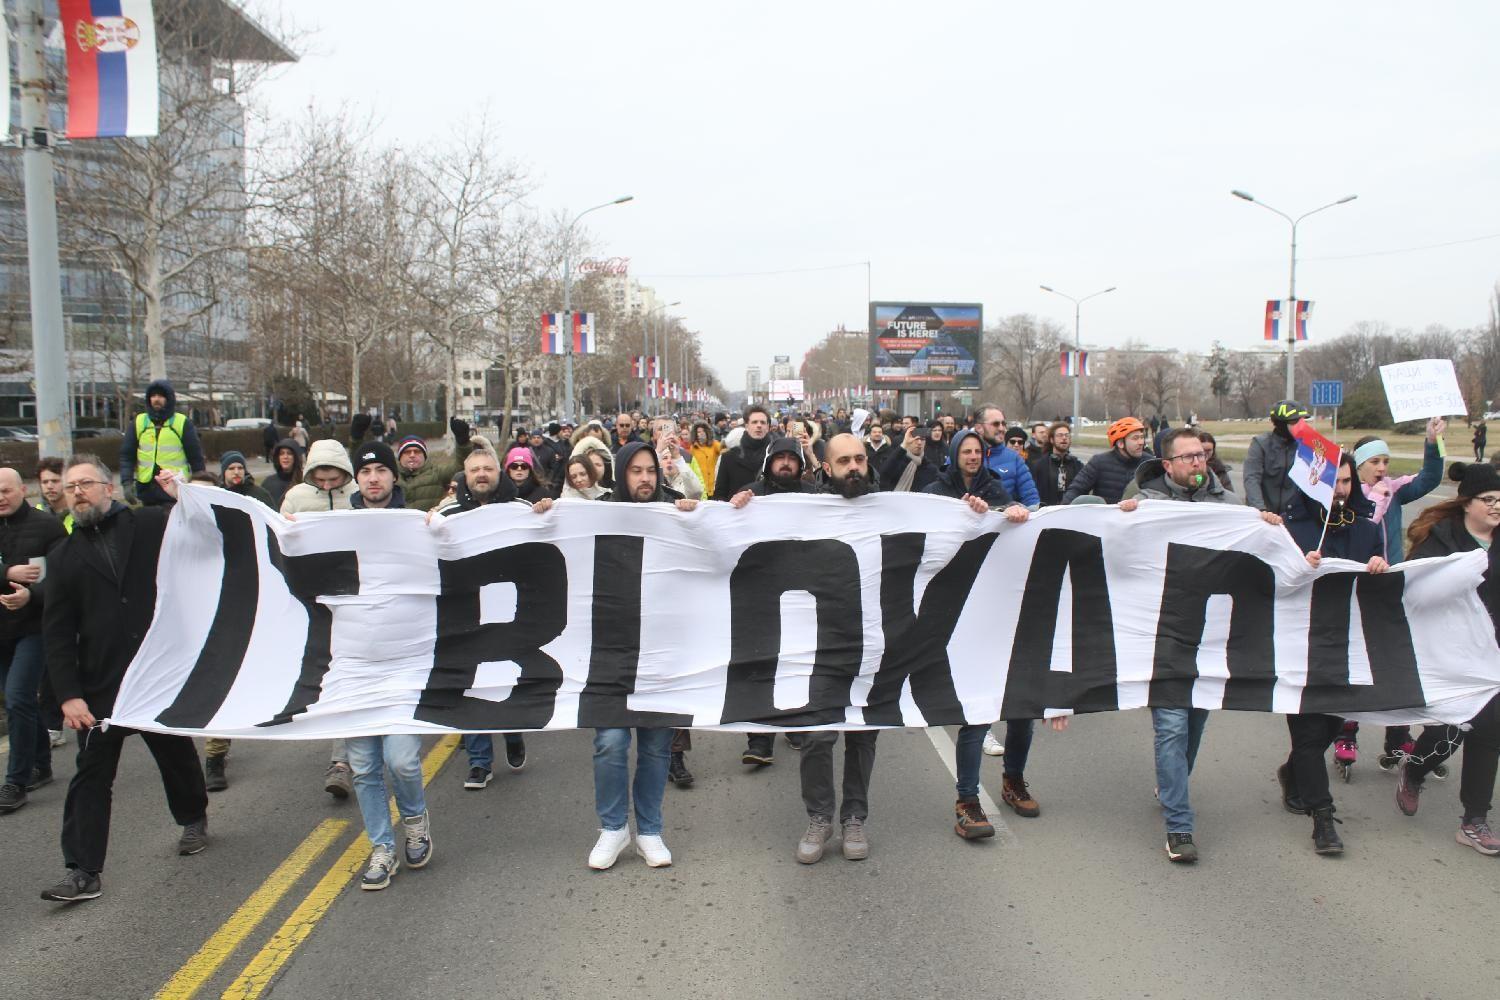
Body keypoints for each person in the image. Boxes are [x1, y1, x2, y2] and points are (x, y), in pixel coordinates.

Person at [40, 459, 209, 902]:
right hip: (101, 688)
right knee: (91, 775)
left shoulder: (150, 523)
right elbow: (57, 634)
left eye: (85, 483)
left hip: (156, 673)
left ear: (109, 488)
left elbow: (205, 533)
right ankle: (82, 870)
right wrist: (69, 695)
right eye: (70, 487)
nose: (77, 492)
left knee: (174, 754)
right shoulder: (63, 557)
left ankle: (193, 817)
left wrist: (185, 496)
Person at [1118, 428, 1282, 862]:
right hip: (1163, 632)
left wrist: (1267, 530)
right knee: (1171, 726)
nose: (1197, 462)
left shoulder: (1231, 507)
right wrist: (1123, 520)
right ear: (1167, 464)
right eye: (1187, 457)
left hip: (1211, 637)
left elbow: (1253, 561)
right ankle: (1179, 826)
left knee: (1194, 722)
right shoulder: (1147, 504)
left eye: (1201, 455)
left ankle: (1171, 782)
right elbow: (1119, 556)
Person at [733, 434, 882, 863]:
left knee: (863, 735)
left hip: (869, 641)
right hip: (819, 643)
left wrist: (985, 512)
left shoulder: (887, 507)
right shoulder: (806, 505)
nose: (853, 467)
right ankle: (819, 817)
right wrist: (741, 507)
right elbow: (759, 535)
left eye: (859, 459)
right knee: (817, 735)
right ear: (827, 468)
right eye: (844, 461)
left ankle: (854, 818)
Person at [918, 431, 1041, 838]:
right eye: (966, 451)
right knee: (976, 709)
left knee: (1022, 707)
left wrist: (1014, 512)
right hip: (959, 614)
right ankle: (967, 801)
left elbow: (1014, 529)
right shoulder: (936, 492)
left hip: (1001, 611)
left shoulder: (997, 490)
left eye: (978, 452)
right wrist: (965, 516)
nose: (972, 457)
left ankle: (1013, 779)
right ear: (955, 455)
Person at [588, 443, 698, 870]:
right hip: (611, 650)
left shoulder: (675, 509)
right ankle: (613, 829)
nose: (645, 478)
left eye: (650, 470)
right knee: (610, 742)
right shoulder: (596, 513)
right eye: (635, 471)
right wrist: (543, 511)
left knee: (656, 746)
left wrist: (700, 514)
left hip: (663, 651)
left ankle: (650, 831)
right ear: (621, 474)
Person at [1276, 451, 1388, 855]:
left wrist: (1379, 565)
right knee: (1309, 733)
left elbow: (1385, 586)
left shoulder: (1367, 529)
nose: (1340, 490)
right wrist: (1297, 568)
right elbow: (1269, 585)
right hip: (1301, 645)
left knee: (1329, 728)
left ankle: (1292, 771)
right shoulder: (1289, 528)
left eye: (1345, 482)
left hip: (1348, 645)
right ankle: (1322, 818)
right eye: (1332, 482)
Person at [1393, 462, 1500, 856]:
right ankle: (1414, 769)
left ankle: (1473, 821)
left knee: (1489, 729)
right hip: (1448, 651)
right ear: (1467, 503)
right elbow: (1415, 590)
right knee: (1451, 729)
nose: (1496, 506)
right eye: (1488, 499)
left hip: (1492, 654)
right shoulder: (1442, 539)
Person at [438, 444, 538, 786]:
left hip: (509, 610)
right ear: (465, 476)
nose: (481, 474)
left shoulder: (521, 509)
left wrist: (547, 512)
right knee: (470, 685)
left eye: (488, 468)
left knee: (506, 679)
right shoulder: (447, 514)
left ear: (499, 473)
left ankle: (513, 732)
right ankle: (479, 761)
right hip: (465, 613)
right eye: (474, 469)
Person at [0, 468, 67, 815]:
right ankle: (41, 763)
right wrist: (7, 574)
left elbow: (63, 578)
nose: (0, 497)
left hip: (34, 627)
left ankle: (16, 780)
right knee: (21, 702)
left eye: (6, 490)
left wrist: (31, 595)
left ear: (22, 490)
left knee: (17, 698)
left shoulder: (47, 527)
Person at [117, 379, 206, 507]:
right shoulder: (139, 422)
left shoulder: (182, 422)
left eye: (160, 396)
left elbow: (196, 458)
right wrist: (127, 483)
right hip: (146, 488)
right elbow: (127, 456)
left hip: (175, 486)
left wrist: (200, 485)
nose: (156, 399)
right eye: (153, 396)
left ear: (169, 399)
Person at [394, 419, 475, 512]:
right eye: (407, 452)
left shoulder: (437, 473)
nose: (412, 455)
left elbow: (460, 466)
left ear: (424, 456)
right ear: (400, 457)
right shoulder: (391, 476)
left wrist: (463, 443)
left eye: (417, 451)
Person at [1062, 417, 1148, 505]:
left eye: (1142, 437)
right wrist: (1064, 510)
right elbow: (1075, 490)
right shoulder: (1099, 462)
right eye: (1135, 438)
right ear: (1120, 443)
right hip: (1106, 513)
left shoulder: (1149, 463)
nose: (1141, 442)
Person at [1242, 400, 1308, 513]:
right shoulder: (1260, 444)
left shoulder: (1305, 446)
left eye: (1303, 422)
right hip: (1264, 514)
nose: (1301, 426)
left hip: (1293, 516)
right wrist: (1261, 509)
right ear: (1281, 424)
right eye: (1295, 422)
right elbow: (1251, 478)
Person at [973, 406, 1040, 507]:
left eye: (1003, 424)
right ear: (979, 428)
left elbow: (1031, 499)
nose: (1002, 428)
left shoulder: (1014, 459)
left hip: (1005, 516)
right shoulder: (962, 455)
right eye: (996, 424)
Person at [710, 405, 774, 501]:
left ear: (768, 427)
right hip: (737, 509)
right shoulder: (729, 457)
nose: (759, 425)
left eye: (763, 422)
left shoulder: (776, 456)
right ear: (747, 426)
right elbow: (719, 495)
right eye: (754, 422)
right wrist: (732, 502)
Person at [1030, 422, 1083, 507]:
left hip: (1070, 510)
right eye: (1060, 435)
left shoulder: (1077, 465)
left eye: (1067, 435)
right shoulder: (1039, 466)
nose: (1064, 438)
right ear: (1051, 440)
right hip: (1047, 510)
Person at [262, 439, 303, 511]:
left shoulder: (303, 482)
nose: (285, 457)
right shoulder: (268, 483)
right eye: (281, 453)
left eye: (289, 453)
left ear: (296, 457)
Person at [689, 421, 723, 499]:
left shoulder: (714, 444)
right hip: (701, 485)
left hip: (713, 486)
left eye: (703, 431)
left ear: (707, 432)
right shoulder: (693, 448)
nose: (701, 433)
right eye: (698, 432)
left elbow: (725, 450)